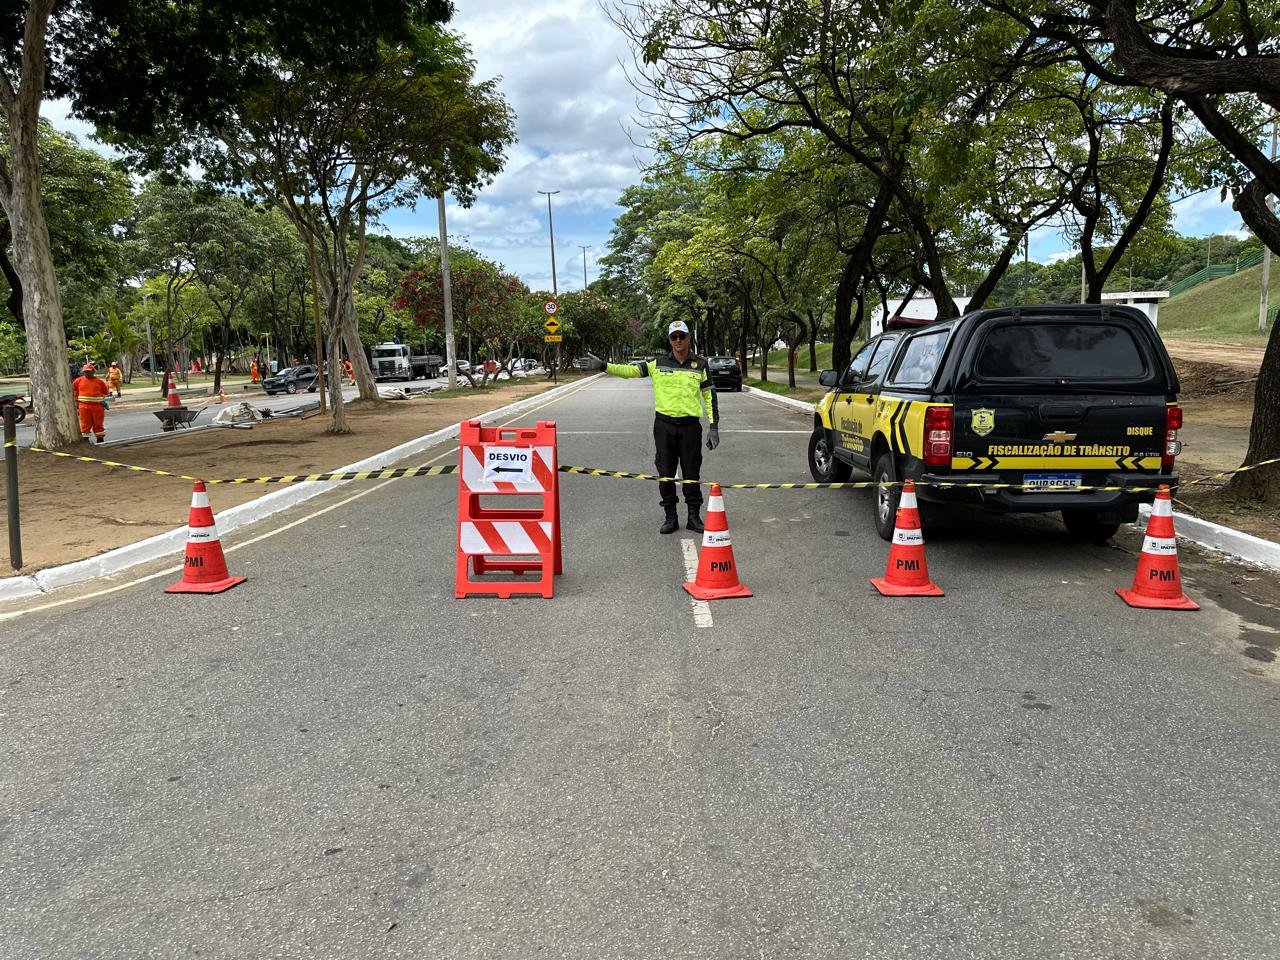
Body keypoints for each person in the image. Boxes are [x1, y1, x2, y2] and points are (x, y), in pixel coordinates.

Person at [583, 320, 720, 534]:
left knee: (691, 474)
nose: (678, 340)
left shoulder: (700, 365)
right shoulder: (657, 363)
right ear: (669, 340)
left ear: (688, 338)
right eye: (674, 337)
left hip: (690, 428)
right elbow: (629, 371)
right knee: (665, 474)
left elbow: (709, 396)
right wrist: (604, 366)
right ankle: (670, 517)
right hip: (664, 427)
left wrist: (714, 427)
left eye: (681, 336)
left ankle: (693, 517)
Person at [71, 362, 110, 443]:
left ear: (93, 371)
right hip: (83, 406)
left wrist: (102, 401)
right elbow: (74, 392)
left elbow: (106, 392)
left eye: (88, 371)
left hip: (98, 407)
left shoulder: (99, 382)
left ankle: (100, 439)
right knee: (85, 424)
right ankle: (86, 440)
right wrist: (76, 405)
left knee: (98, 423)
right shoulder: (78, 381)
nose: (87, 373)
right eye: (85, 371)